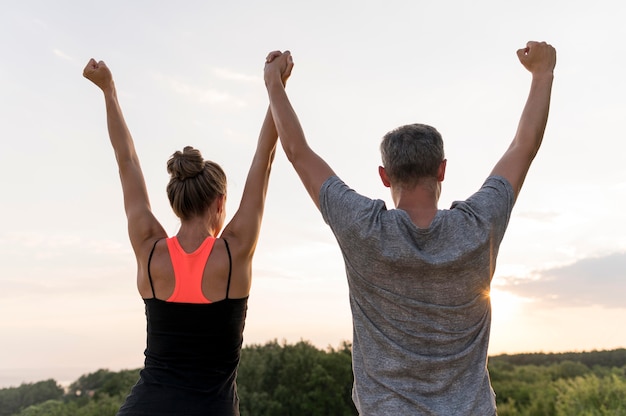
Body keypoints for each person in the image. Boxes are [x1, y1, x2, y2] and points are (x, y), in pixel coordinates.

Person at [263, 41, 556, 415]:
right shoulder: (478, 226)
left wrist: (275, 83)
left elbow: (298, 152)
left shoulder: (362, 228)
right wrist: (543, 74)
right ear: (442, 170)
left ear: (385, 176)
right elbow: (523, 147)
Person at [83, 55, 292, 415]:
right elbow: (264, 159)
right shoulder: (233, 252)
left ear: (176, 201)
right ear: (220, 202)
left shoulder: (149, 250)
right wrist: (276, 84)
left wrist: (108, 90)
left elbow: (126, 162)